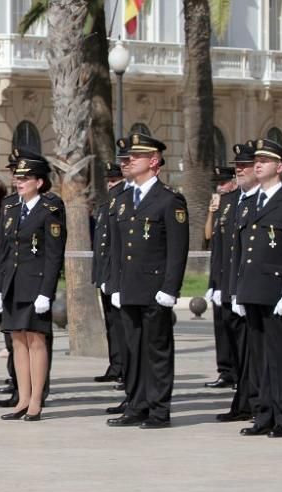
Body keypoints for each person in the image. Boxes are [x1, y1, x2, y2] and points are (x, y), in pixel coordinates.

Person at [107, 133, 189, 429]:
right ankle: (136, 404)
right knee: (132, 349)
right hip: (129, 288)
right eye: (125, 158)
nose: (126, 162)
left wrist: (170, 289)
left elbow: (177, 250)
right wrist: (114, 284)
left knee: (156, 351)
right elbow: (118, 249)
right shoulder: (123, 199)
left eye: (134, 158)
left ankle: (158, 409)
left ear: (153, 161)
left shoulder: (169, 200)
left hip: (155, 290)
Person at [231, 138, 282, 438]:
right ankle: (264, 414)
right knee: (260, 357)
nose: (258, 163)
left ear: (279, 166)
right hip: (252, 289)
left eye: (265, 160)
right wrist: (237, 289)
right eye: (257, 160)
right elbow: (241, 249)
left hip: (277, 292)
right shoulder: (249, 204)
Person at [0, 156, 66, 421]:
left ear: (39, 182)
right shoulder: (10, 207)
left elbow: (54, 255)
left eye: (25, 179)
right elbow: (3, 251)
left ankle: (36, 400)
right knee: (17, 341)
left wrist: (46, 291)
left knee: (36, 340)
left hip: (35, 285)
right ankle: (22, 398)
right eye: (17, 178)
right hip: (12, 283)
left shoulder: (50, 208)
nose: (19, 182)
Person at [217, 141, 261, 423]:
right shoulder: (230, 202)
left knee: (254, 349)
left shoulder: (262, 201)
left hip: (253, 287)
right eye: (238, 167)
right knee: (237, 348)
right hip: (229, 285)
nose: (240, 171)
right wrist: (215, 283)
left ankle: (254, 400)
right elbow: (222, 247)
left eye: (245, 166)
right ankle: (242, 399)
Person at [92, 159, 128, 385]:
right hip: (106, 276)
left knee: (124, 327)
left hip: (121, 278)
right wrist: (99, 275)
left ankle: (126, 368)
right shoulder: (105, 208)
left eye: (115, 180)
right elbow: (100, 245)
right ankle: (115, 365)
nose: (111, 185)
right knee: (112, 325)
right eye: (109, 181)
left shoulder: (125, 206)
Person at [204, 166, 239, 389]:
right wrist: (211, 210)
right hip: (218, 275)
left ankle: (237, 371)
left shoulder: (238, 202)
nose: (220, 186)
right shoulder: (220, 205)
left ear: (233, 182)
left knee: (234, 325)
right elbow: (208, 235)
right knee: (221, 325)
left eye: (224, 182)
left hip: (232, 275)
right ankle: (225, 370)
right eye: (217, 182)